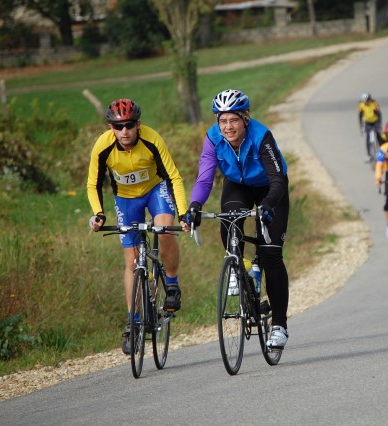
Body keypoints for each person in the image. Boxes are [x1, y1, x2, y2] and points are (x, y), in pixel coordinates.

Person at [184, 89, 290, 350]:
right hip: (238, 186)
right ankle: (240, 267)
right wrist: (194, 205)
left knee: (272, 255)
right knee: (229, 222)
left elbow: (278, 179)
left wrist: (267, 205)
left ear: (245, 118)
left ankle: (279, 325)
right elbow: (205, 178)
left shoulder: (261, 136)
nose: (228, 127)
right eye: (222, 121)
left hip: (270, 188)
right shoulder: (212, 139)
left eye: (233, 120)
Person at [87, 98, 188, 355]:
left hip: (155, 190)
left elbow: (173, 176)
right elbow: (93, 184)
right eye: (118, 126)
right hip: (125, 199)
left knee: (164, 229)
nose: (124, 131)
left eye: (129, 125)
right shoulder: (103, 146)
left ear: (138, 125)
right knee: (132, 263)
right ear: (111, 128)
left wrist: (184, 213)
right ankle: (132, 322)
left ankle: (173, 284)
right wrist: (98, 213)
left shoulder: (152, 139)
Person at [358, 92, 383, 161]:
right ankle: (369, 155)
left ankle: (382, 151)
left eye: (368, 101)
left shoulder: (374, 103)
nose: (366, 102)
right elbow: (360, 116)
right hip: (367, 122)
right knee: (368, 138)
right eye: (365, 101)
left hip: (375, 120)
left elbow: (379, 114)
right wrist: (361, 126)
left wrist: (379, 125)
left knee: (378, 135)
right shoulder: (361, 105)